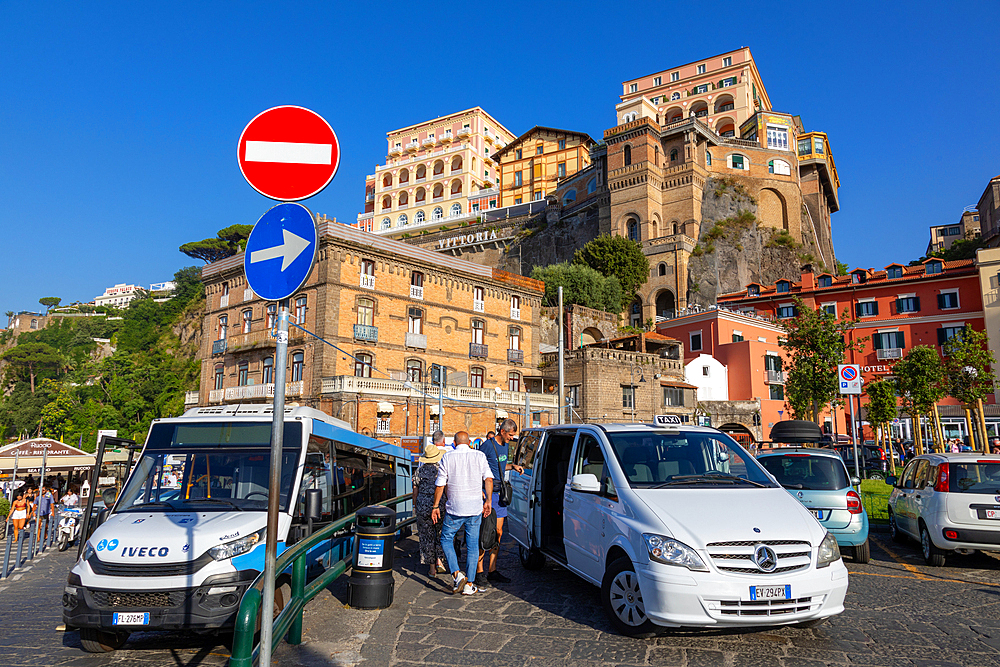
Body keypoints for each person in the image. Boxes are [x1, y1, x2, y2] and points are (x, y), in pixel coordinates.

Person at [431, 431, 492, 596]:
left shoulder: (448, 458)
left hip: (455, 508)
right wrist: (488, 501)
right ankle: (470, 584)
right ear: (470, 442)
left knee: (446, 538)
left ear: (455, 443)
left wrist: (436, 506)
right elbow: (488, 479)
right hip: (474, 508)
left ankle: (457, 574)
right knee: (472, 546)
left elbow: (440, 485)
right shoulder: (479, 456)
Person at [475, 418, 524, 588]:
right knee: (485, 532)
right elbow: (477, 468)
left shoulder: (505, 445)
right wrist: (480, 491)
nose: (512, 438)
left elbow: (500, 466)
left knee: (498, 532)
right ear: (502, 431)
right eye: (510, 435)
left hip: (500, 493)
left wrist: (513, 466)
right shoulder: (487, 446)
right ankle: (479, 572)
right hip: (488, 494)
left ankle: (492, 570)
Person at [413, 442, 447, 578]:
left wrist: (415, 505)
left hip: (423, 506)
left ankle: (431, 568)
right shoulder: (441, 470)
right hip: (438, 505)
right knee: (439, 532)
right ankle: (440, 560)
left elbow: (415, 491)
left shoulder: (418, 471)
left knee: (426, 536)